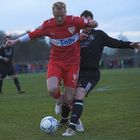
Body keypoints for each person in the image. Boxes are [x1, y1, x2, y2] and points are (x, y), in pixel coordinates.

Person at [5, 0, 98, 128]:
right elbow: (32, 35)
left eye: (61, 15)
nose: (59, 18)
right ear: (53, 14)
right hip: (56, 61)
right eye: (56, 16)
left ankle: (75, 120)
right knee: (52, 89)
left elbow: (91, 23)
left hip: (72, 63)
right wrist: (15, 41)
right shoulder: (48, 25)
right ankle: (59, 100)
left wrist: (93, 23)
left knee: (70, 97)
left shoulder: (75, 21)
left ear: (66, 12)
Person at [57, 10, 140, 136]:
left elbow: (114, 42)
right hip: (75, 71)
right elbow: (63, 50)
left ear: (92, 21)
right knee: (68, 97)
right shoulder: (75, 36)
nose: (86, 23)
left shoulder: (99, 35)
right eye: (84, 20)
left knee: (78, 94)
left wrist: (130, 45)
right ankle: (64, 120)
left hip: (91, 74)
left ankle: (72, 128)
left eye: (89, 20)